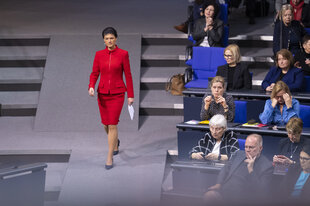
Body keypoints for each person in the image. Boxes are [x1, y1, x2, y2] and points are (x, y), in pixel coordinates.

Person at [88, 27, 134, 170]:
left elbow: (128, 75)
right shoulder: (99, 55)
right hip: (102, 94)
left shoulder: (123, 54)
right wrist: (91, 86)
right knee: (105, 124)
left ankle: (109, 156)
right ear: (103, 40)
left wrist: (130, 95)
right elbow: (94, 73)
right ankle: (115, 143)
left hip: (118, 93)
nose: (109, 41)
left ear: (116, 39)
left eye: (112, 38)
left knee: (113, 124)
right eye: (107, 38)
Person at [204, 134, 273, 204]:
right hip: (226, 192)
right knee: (210, 195)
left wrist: (251, 170)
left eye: (251, 147)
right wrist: (219, 184)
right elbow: (225, 169)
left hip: (244, 198)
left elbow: (261, 192)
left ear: (260, 148)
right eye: (246, 147)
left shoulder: (267, 166)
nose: (248, 150)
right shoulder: (238, 154)